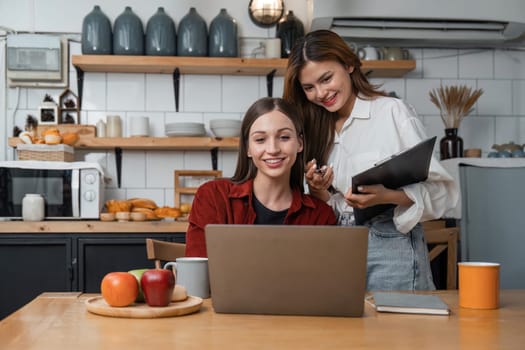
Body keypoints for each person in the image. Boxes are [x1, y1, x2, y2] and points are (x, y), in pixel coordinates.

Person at [283, 30, 458, 291]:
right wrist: (319, 190)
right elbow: (335, 209)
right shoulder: (314, 129)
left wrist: (388, 196)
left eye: (326, 78)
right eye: (309, 87)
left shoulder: (390, 112)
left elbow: (445, 195)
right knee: (346, 331)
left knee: (397, 330)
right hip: (338, 247)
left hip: (391, 245)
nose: (320, 93)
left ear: (349, 64)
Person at [185, 97, 337, 257]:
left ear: (300, 143)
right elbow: (197, 272)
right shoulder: (214, 197)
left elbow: (326, 279)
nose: (272, 149)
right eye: (260, 139)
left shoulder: (321, 215)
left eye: (284, 137)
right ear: (248, 149)